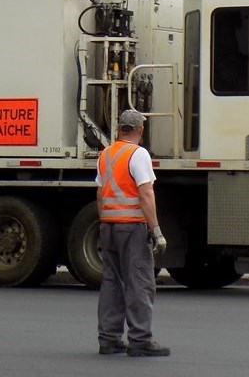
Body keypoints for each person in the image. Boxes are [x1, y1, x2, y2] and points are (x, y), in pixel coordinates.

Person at [96, 109, 170, 357]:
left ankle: (109, 339)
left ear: (119, 129)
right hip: (132, 228)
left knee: (111, 282)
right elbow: (146, 193)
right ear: (140, 130)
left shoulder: (106, 154)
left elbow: (100, 193)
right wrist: (156, 231)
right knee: (139, 282)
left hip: (109, 226)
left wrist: (105, 222)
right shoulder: (138, 154)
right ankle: (140, 340)